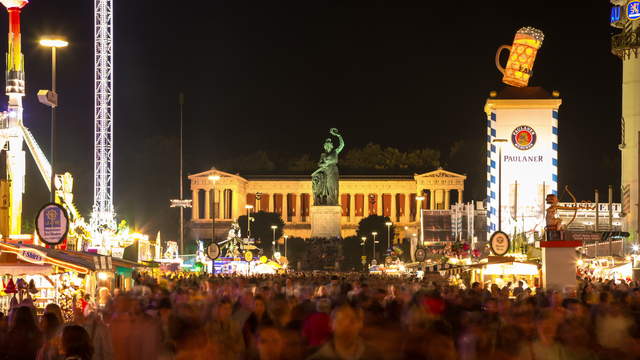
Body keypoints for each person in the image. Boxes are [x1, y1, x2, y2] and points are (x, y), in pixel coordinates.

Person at [306, 303, 382, 360]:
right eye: (340, 320)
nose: (346, 325)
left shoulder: (373, 354)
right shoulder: (318, 358)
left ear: (360, 324)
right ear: (331, 324)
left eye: (352, 321)